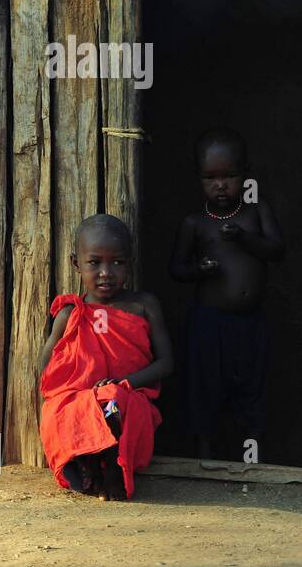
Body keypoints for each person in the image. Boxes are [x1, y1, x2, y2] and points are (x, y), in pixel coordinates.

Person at [168, 128, 285, 460]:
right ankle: (205, 460)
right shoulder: (195, 223)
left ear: (245, 173)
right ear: (199, 179)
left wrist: (245, 239)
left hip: (251, 323)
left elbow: (278, 250)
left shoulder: (256, 211)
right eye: (210, 178)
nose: (221, 185)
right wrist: (200, 270)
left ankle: (253, 460)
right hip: (208, 323)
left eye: (230, 176)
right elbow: (175, 269)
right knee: (206, 386)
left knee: (253, 387)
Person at [39, 214, 172, 500]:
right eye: (94, 262)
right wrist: (71, 390)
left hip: (127, 398)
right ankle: (88, 463)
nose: (106, 272)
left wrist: (124, 382)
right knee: (60, 411)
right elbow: (47, 366)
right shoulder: (69, 314)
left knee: (112, 404)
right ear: (76, 264)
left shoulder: (143, 305)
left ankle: (112, 466)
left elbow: (166, 363)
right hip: (82, 399)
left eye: (117, 262)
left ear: (129, 262)